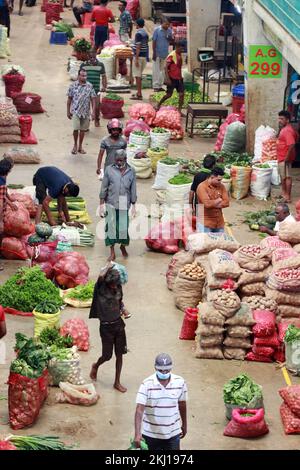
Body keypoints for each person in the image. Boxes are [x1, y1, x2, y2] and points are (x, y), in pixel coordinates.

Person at [134, 353, 188, 451]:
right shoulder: (146, 384)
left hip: (173, 433)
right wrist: (137, 434)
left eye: (167, 370)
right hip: (150, 434)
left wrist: (184, 424)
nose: (164, 373)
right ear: (155, 368)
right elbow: (139, 410)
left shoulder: (180, 382)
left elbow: (182, 404)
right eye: (161, 370)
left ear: (171, 368)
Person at [89, 265, 128, 392]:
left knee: (120, 354)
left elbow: (119, 301)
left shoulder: (117, 286)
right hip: (106, 327)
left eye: (116, 284)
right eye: (112, 285)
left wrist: (123, 309)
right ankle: (96, 365)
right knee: (107, 355)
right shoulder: (101, 287)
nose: (115, 287)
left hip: (118, 325)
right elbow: (100, 276)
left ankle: (117, 382)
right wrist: (107, 267)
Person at [100, 149, 136, 261]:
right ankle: (112, 252)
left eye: (121, 160)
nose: (119, 162)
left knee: (123, 228)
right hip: (111, 201)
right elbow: (104, 187)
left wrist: (134, 204)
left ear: (125, 159)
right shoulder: (109, 170)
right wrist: (101, 203)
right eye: (117, 160)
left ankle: (122, 246)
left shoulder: (131, 171)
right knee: (110, 227)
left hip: (125, 203)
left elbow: (133, 187)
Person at [67, 68, 96, 155]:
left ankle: (80, 146)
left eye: (85, 76)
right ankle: (75, 145)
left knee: (83, 130)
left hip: (86, 112)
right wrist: (68, 111)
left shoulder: (89, 86)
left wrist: (93, 112)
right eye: (82, 75)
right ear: (78, 76)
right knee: (76, 128)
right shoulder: (73, 86)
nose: (84, 77)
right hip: (76, 111)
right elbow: (69, 99)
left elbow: (93, 100)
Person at [156, 40, 186, 115]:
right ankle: (158, 105)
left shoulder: (179, 55)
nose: (182, 50)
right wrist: (167, 78)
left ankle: (179, 110)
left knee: (182, 94)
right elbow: (165, 67)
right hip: (172, 78)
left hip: (179, 79)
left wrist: (181, 77)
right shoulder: (172, 55)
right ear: (177, 47)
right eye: (181, 48)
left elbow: (178, 67)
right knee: (169, 95)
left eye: (183, 49)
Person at [196, 167, 229, 233]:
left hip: (219, 223)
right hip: (205, 223)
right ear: (212, 177)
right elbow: (207, 204)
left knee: (219, 242)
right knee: (205, 242)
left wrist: (213, 204)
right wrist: (218, 200)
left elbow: (226, 203)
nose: (220, 182)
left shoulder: (222, 186)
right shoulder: (202, 187)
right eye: (218, 180)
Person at [80, 50, 107, 127]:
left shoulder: (100, 65)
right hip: (85, 90)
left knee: (97, 106)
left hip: (96, 89)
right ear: (88, 56)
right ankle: (86, 123)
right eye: (90, 56)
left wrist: (104, 87)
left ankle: (97, 119)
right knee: (85, 106)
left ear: (95, 55)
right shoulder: (83, 65)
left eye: (93, 56)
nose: (92, 58)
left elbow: (104, 76)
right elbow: (80, 77)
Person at [0, 157, 18, 271]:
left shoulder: (2, 179)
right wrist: (0, 221)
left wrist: (10, 203)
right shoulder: (2, 183)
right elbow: (0, 204)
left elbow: (3, 196)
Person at [277, 110, 298, 203]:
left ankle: (287, 197)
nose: (279, 120)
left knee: (287, 177)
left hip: (284, 157)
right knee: (283, 176)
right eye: (279, 118)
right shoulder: (288, 128)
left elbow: (292, 144)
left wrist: (287, 157)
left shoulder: (287, 130)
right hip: (282, 156)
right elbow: (297, 137)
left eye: (282, 119)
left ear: (287, 120)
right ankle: (284, 193)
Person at [152, 18, 173, 92]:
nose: (167, 25)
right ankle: (155, 86)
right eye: (166, 24)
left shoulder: (169, 31)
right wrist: (154, 53)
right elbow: (154, 41)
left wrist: (169, 38)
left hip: (165, 53)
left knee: (163, 70)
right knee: (156, 70)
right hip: (157, 53)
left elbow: (171, 41)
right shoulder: (157, 30)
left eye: (168, 24)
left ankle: (160, 85)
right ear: (162, 23)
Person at [130, 18, 149, 101]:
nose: (134, 25)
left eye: (135, 23)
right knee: (139, 75)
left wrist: (136, 59)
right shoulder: (145, 33)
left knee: (137, 76)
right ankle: (138, 92)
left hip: (139, 56)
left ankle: (139, 93)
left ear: (137, 24)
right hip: (144, 56)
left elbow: (138, 47)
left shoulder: (138, 34)